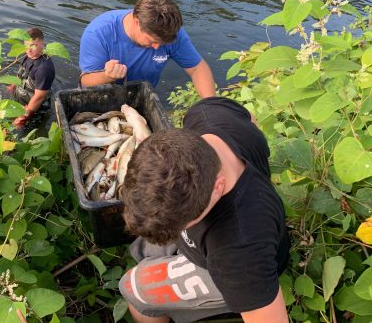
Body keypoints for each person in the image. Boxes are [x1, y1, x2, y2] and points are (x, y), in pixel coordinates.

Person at [118, 97, 290, 323]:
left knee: (133, 289)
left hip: (221, 268)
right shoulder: (208, 113)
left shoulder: (240, 251)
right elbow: (251, 121)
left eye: (184, 222)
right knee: (140, 250)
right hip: (205, 242)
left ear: (218, 188)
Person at [79, 0, 215, 98]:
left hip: (142, 96)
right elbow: (86, 82)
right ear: (136, 22)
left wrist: (211, 106)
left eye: (162, 43)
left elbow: (197, 68)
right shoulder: (98, 33)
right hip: (102, 97)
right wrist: (107, 76)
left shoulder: (171, 33)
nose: (157, 47)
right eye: (152, 40)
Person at [7, 27, 56, 129]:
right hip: (22, 100)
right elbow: (21, 73)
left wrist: (23, 117)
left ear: (43, 45)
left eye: (33, 45)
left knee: (24, 133)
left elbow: (39, 97)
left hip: (34, 111)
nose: (29, 49)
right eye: (26, 45)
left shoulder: (44, 68)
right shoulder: (29, 55)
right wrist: (12, 86)